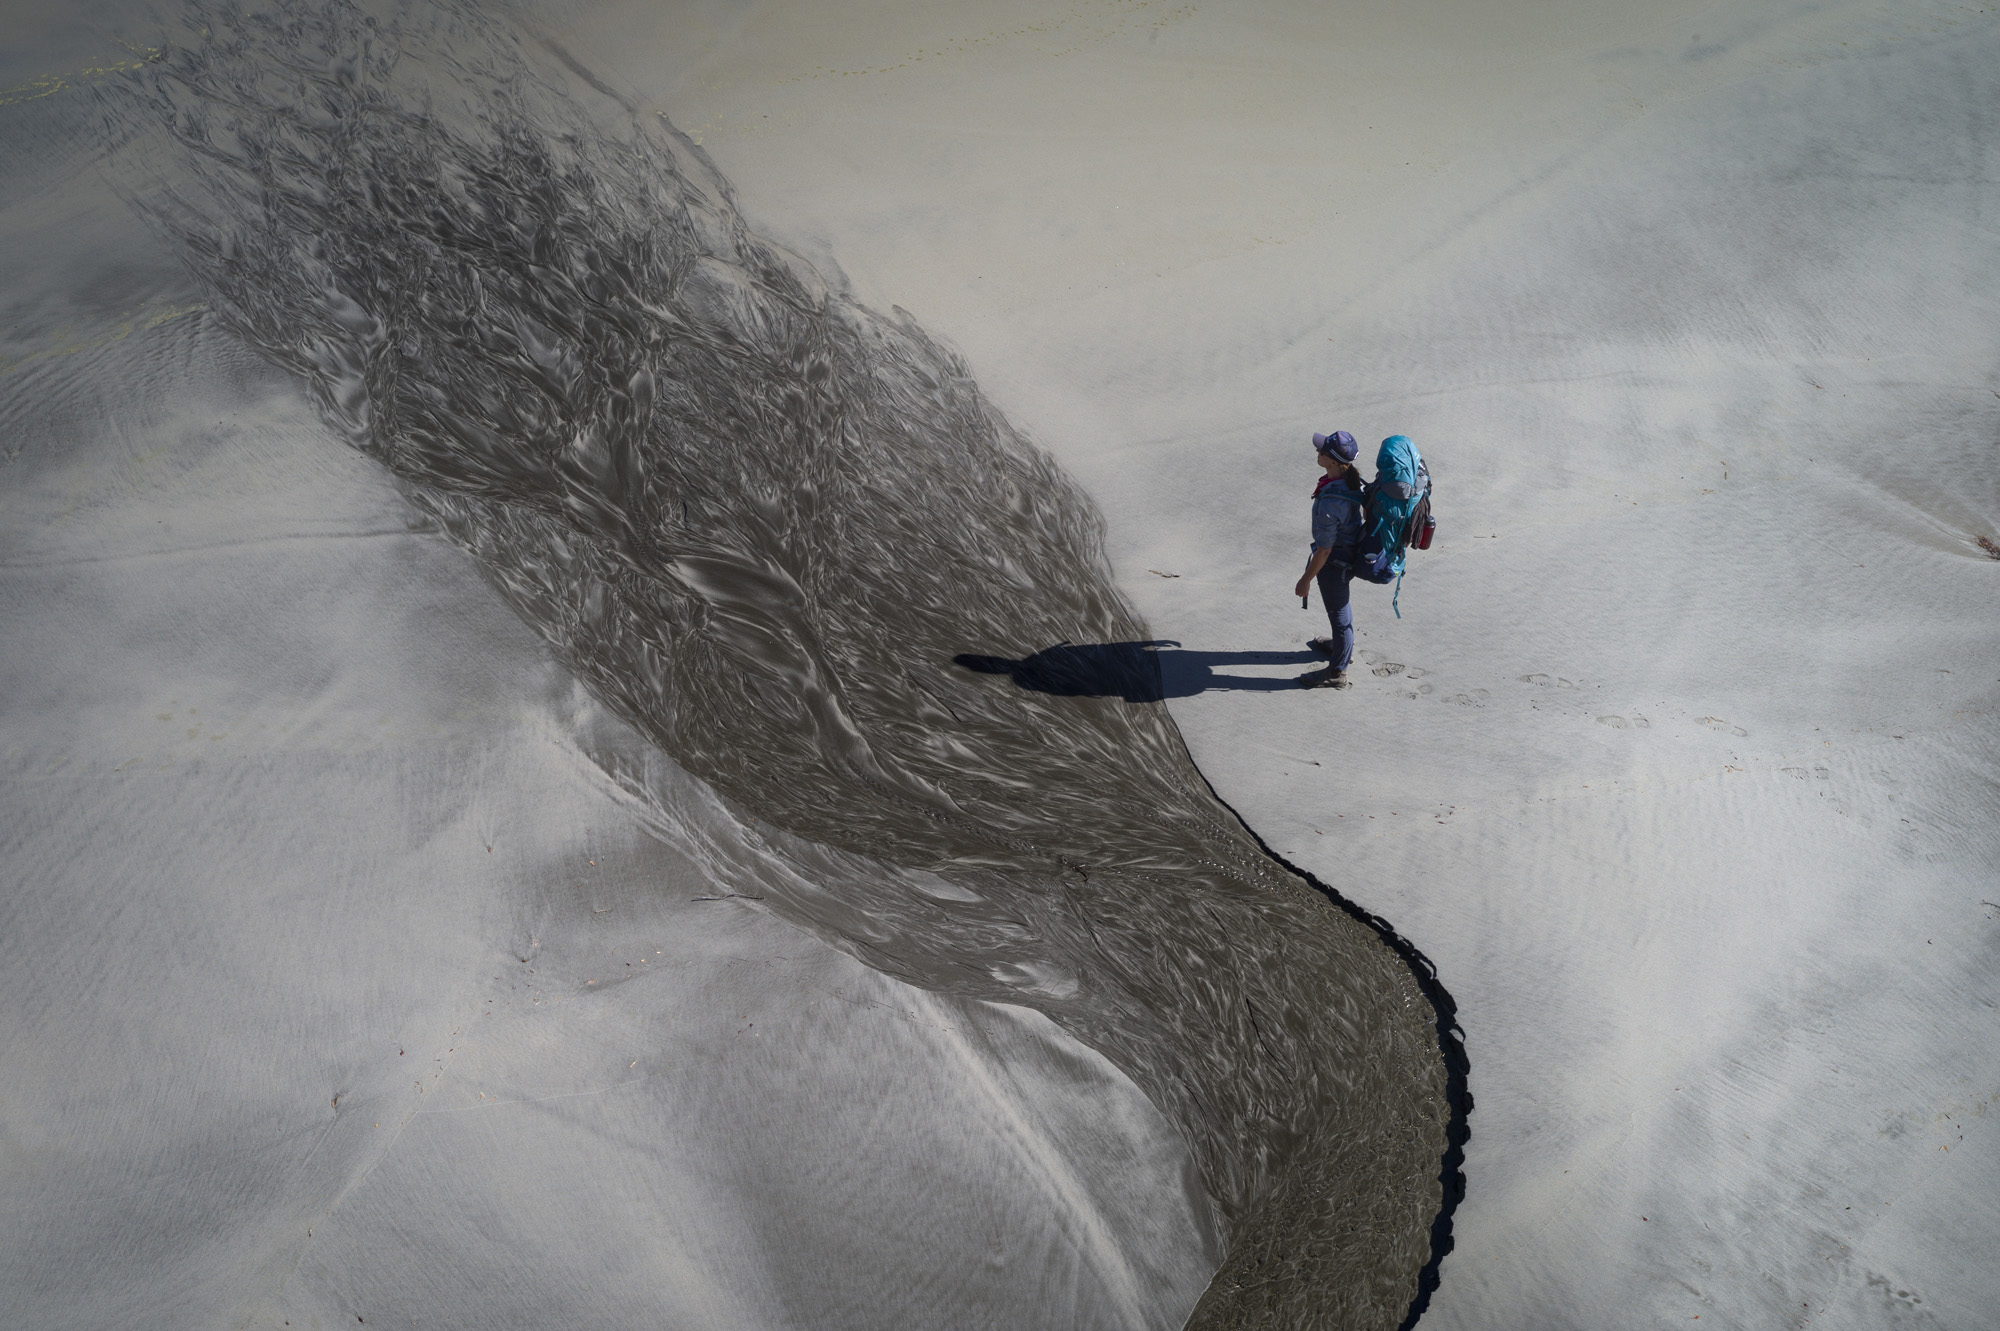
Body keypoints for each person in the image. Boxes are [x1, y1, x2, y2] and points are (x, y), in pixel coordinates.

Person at [1294, 430, 1367, 689]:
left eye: (1322, 451)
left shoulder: (1331, 502)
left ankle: (1337, 673)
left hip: (1335, 563)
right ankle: (1340, 646)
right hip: (1348, 554)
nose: (1317, 451)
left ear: (1334, 461)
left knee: (1339, 616)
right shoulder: (1354, 482)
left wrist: (1306, 580)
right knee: (1340, 613)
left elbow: (1324, 550)